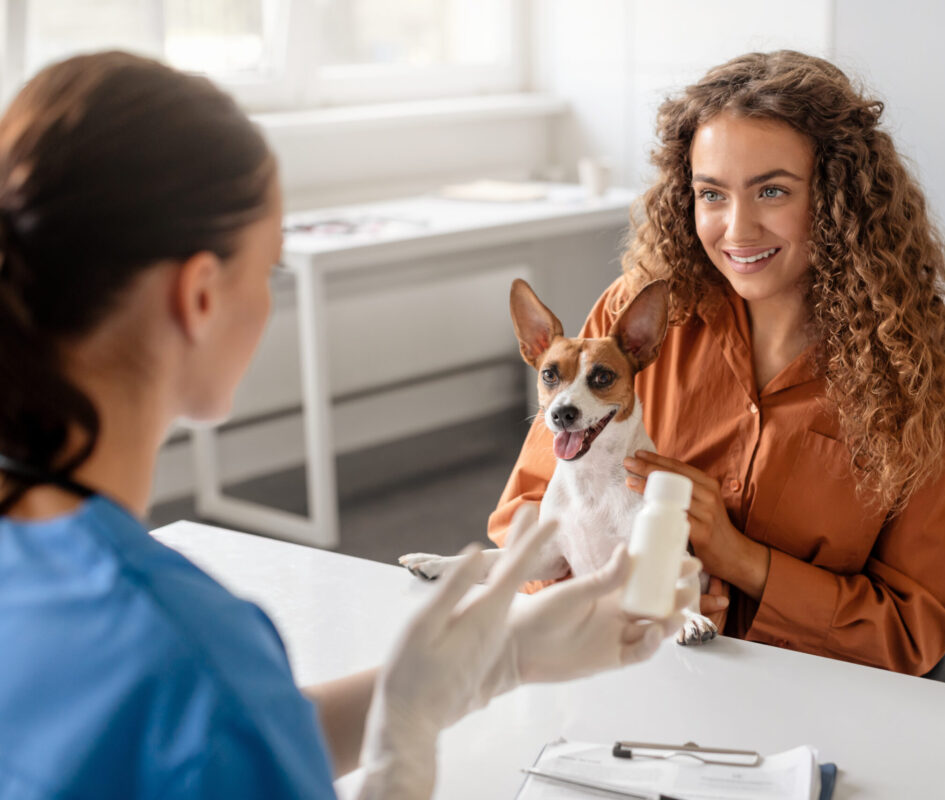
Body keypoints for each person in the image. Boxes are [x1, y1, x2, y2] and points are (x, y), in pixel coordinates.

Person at [0, 52, 698, 800]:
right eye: (269, 270)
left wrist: (493, 663)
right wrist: (404, 757)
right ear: (199, 297)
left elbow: (241, 734)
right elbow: (216, 724)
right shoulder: (190, 649)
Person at [490, 50, 945, 676]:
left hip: (806, 699)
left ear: (838, 200)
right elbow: (524, 520)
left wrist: (741, 561)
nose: (737, 229)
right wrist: (631, 602)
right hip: (625, 674)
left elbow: (915, 633)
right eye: (711, 194)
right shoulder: (631, 322)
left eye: (772, 191)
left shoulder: (917, 383)